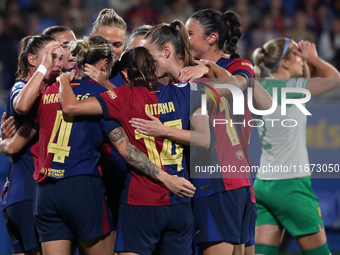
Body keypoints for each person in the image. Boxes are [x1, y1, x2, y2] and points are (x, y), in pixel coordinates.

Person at [1, 36, 195, 255]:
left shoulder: (47, 93)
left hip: (46, 191)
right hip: (83, 186)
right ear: (104, 63)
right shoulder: (103, 96)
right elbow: (125, 149)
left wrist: (2, 141)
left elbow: (14, 145)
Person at [58, 45, 202, 255]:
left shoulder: (123, 97)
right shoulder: (184, 92)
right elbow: (233, 88)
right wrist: (207, 69)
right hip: (180, 199)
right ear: (155, 68)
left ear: (124, 74)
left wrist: (63, 80)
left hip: (142, 200)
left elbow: (70, 106)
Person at [252, 38, 340, 255]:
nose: (301, 55)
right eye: (296, 52)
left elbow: (302, 80)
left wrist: (303, 63)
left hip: (263, 184)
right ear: (283, 62)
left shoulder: (262, 85)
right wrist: (313, 58)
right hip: (291, 185)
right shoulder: (290, 88)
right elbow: (335, 79)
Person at [0, 34, 62, 255]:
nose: (58, 62)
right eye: (51, 56)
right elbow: (23, 106)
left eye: (60, 56)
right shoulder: (21, 87)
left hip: (21, 196)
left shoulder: (55, 91)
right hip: (28, 193)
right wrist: (4, 143)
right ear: (33, 59)